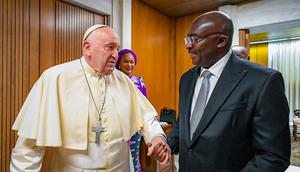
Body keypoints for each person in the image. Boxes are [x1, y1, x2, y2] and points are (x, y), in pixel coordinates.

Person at [10, 24, 171, 172]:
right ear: (87, 48)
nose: (115, 55)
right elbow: (28, 149)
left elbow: (147, 118)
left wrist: (156, 136)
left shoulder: (123, 80)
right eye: (110, 48)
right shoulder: (55, 78)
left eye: (117, 49)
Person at [167, 11, 290, 172]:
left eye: (195, 39)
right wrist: (166, 145)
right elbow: (184, 126)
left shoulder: (263, 80)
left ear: (221, 41)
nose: (188, 45)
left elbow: (273, 156)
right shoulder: (186, 79)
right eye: (187, 39)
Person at [116, 49, 147, 172]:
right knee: (119, 159)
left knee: (134, 158)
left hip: (135, 126)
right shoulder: (113, 80)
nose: (130, 65)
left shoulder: (139, 81)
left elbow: (145, 105)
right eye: (126, 62)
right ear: (119, 63)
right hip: (118, 128)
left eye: (132, 62)